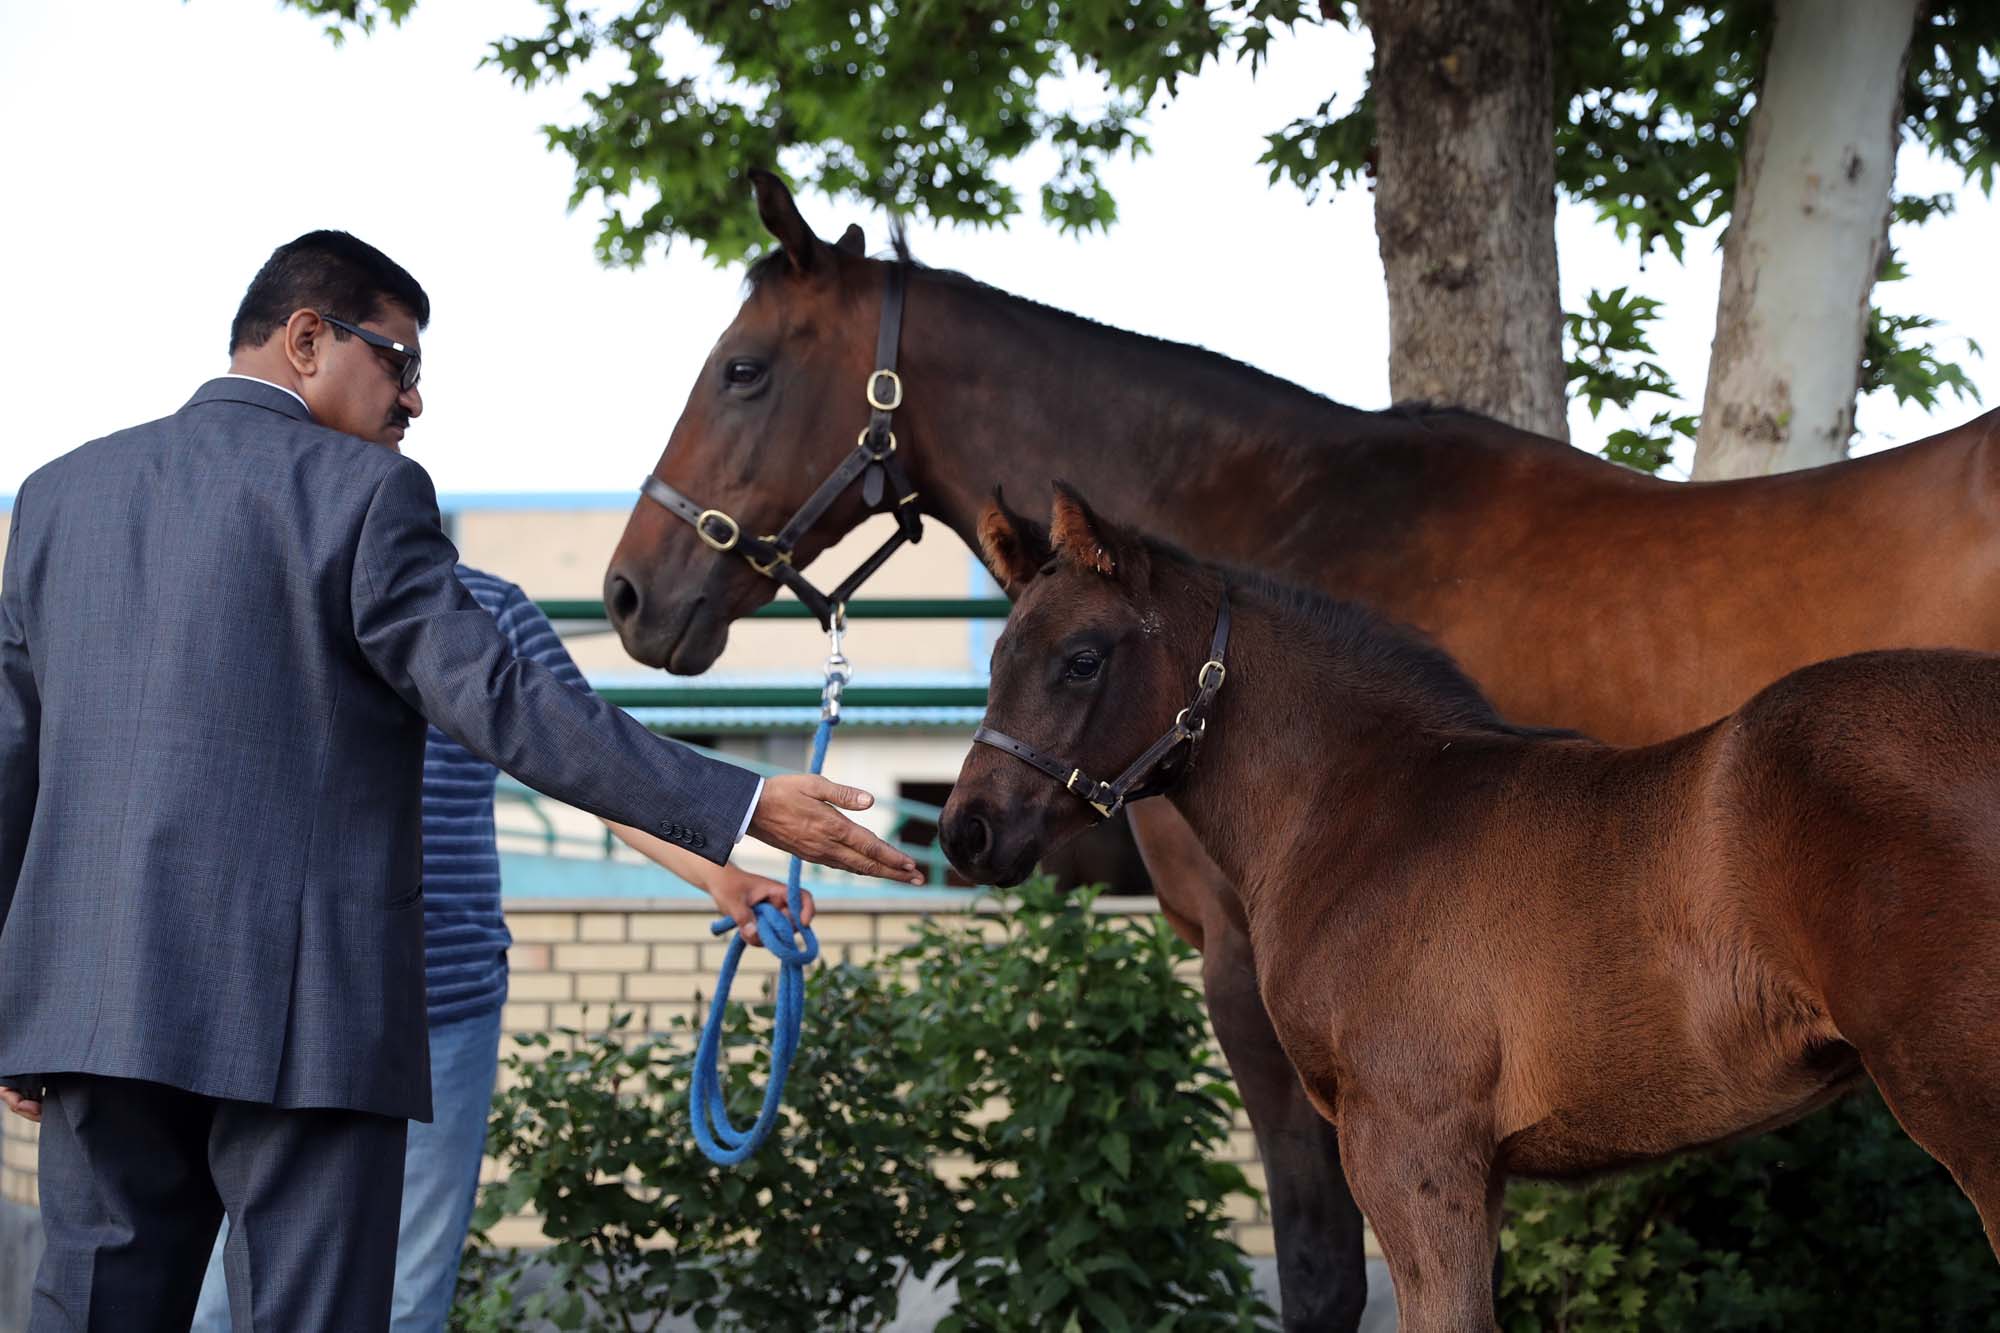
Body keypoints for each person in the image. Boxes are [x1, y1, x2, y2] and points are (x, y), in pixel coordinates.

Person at [0, 230, 919, 1332]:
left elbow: (15, 761)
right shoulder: (362, 494)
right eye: (399, 361)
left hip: (95, 1004)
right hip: (307, 1019)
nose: (414, 399)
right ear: (307, 339)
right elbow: (506, 699)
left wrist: (18, 1004)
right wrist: (743, 802)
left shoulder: (57, 497)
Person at [188, 562, 806, 1332]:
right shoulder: (257, 585)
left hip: (442, 999)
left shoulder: (488, 604)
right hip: (278, 999)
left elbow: (590, 758)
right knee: (224, 1291)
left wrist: (723, 875)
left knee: (407, 1293)